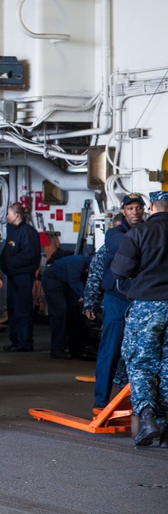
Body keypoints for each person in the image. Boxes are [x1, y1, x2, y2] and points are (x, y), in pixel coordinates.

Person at [110, 190, 168, 446]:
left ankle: (147, 418)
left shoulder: (139, 233)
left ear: (152, 206)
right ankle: (166, 428)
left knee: (141, 363)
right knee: (167, 366)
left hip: (147, 305)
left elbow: (121, 270)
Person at [84, 195, 145, 408]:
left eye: (138, 208)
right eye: (130, 208)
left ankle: (135, 400)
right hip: (116, 300)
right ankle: (101, 400)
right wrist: (90, 301)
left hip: (141, 301)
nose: (135, 212)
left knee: (141, 352)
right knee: (110, 350)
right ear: (124, 211)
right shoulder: (114, 235)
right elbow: (97, 270)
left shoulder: (147, 231)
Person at [0, 202, 41, 353]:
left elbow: (30, 255)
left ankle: (25, 343)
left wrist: (10, 263)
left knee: (22, 309)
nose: (6, 216)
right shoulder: (12, 231)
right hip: (12, 276)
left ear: (16, 215)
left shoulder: (28, 232)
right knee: (12, 309)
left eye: (9, 213)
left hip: (22, 276)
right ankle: (15, 341)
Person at [41, 254, 91, 359]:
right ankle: (57, 349)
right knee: (60, 311)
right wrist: (90, 298)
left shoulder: (90, 266)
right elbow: (75, 283)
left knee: (73, 312)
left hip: (66, 282)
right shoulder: (78, 262)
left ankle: (76, 348)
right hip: (52, 280)